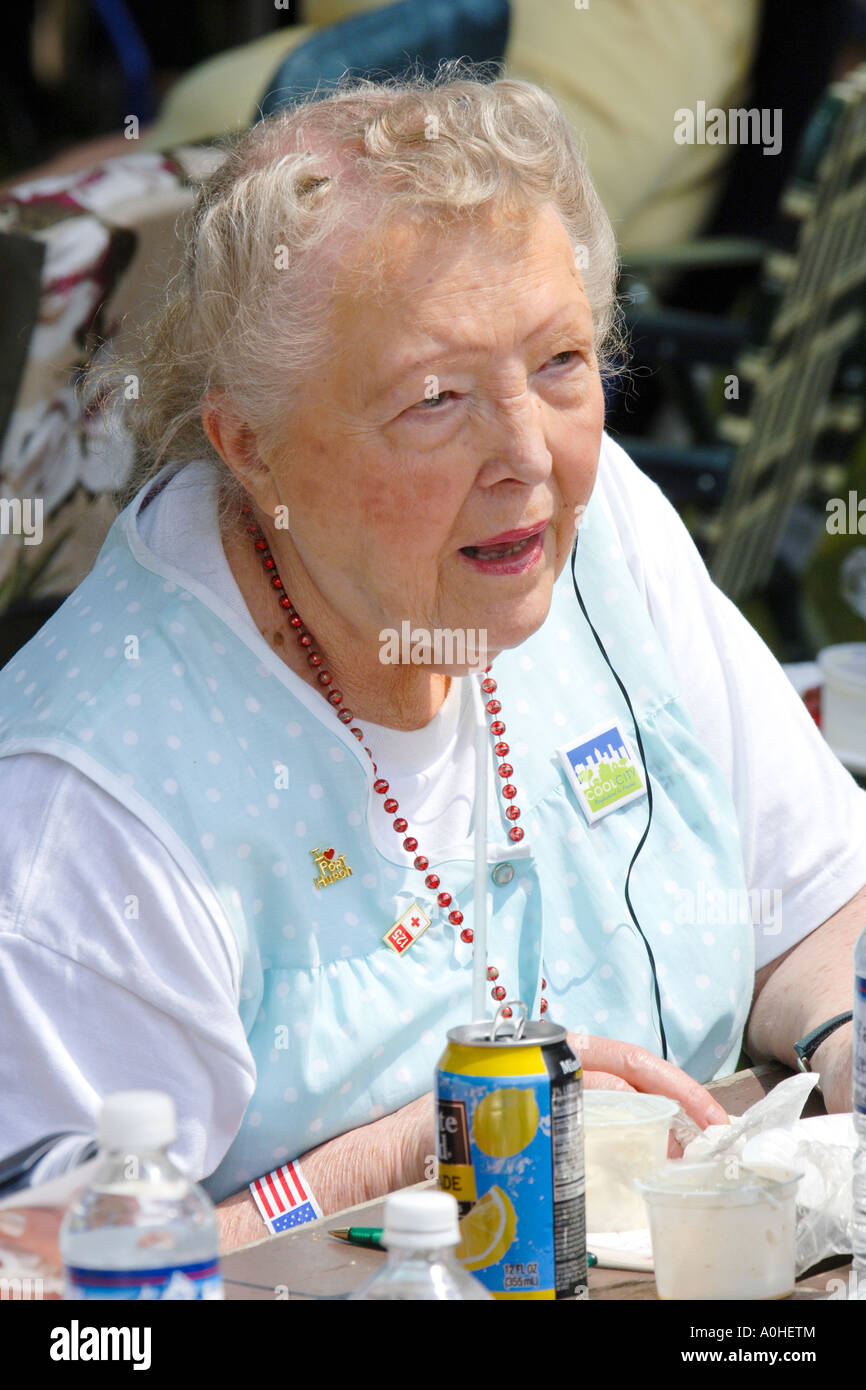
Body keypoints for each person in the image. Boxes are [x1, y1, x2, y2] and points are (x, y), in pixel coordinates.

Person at [1, 68, 865, 1259]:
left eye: (560, 362)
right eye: (434, 397)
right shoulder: (89, 802)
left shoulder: (598, 526)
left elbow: (812, 898)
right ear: (249, 447)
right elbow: (49, 1279)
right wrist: (420, 1148)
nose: (527, 454)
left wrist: (841, 1042)